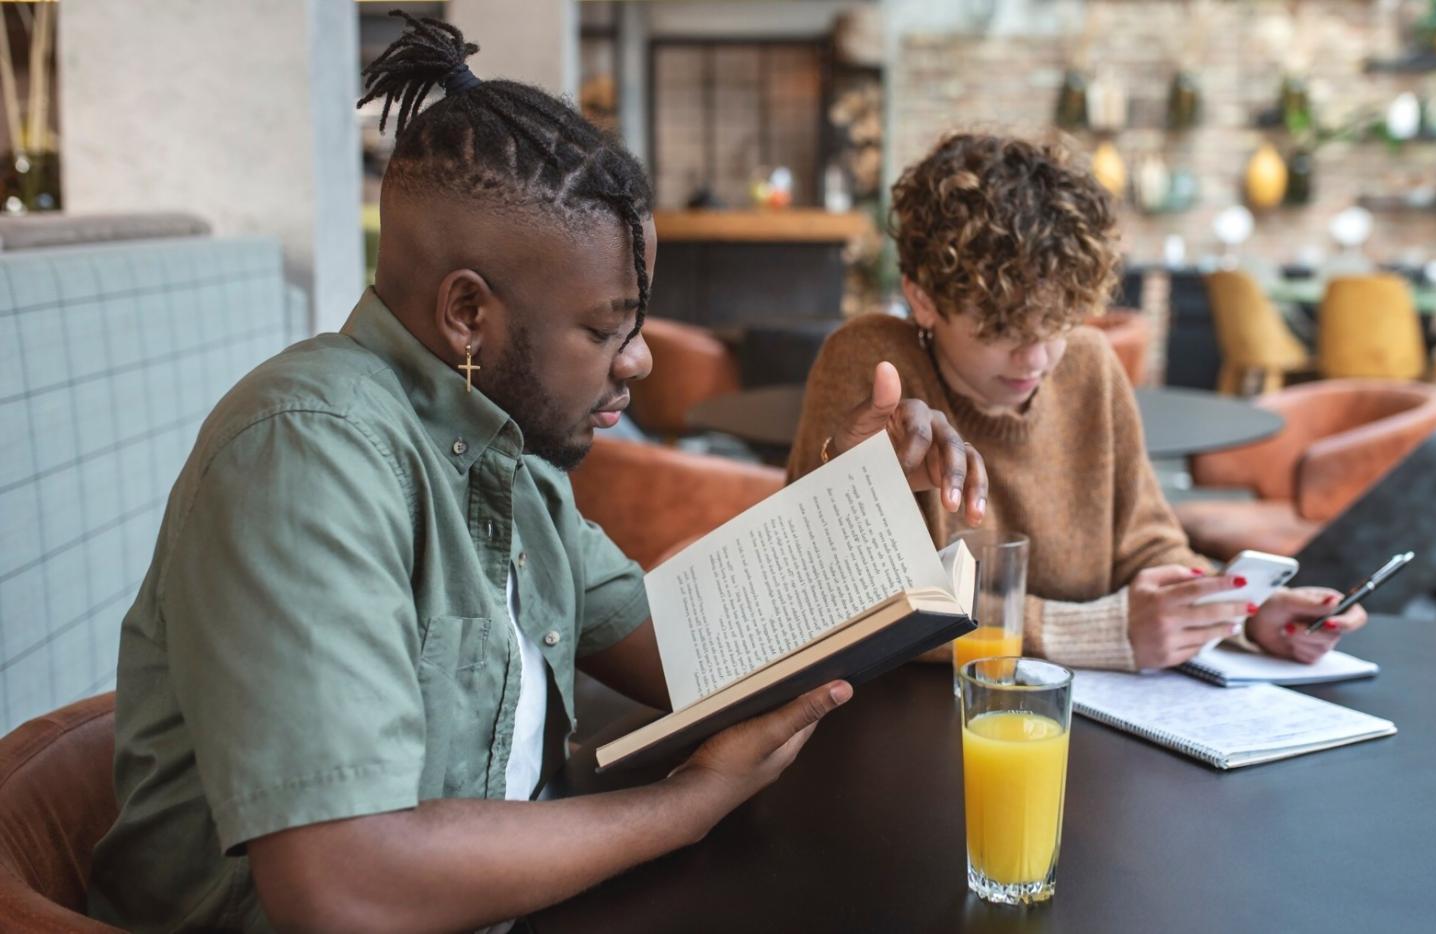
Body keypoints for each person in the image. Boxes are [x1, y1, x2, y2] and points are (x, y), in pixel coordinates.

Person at [82, 15, 983, 932]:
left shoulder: (510, 459)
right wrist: (685, 805)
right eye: (604, 329)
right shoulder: (305, 453)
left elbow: (699, 653)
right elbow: (342, 885)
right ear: (468, 312)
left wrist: (858, 486)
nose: (637, 362)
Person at [786, 132, 1365, 672]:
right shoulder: (875, 362)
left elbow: (1146, 545)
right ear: (923, 299)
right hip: (918, 728)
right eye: (1004, 331)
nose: (1036, 360)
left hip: (1078, 726)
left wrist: (1241, 613)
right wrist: (1104, 633)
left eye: (1058, 324)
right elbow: (856, 605)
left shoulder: (1090, 365)